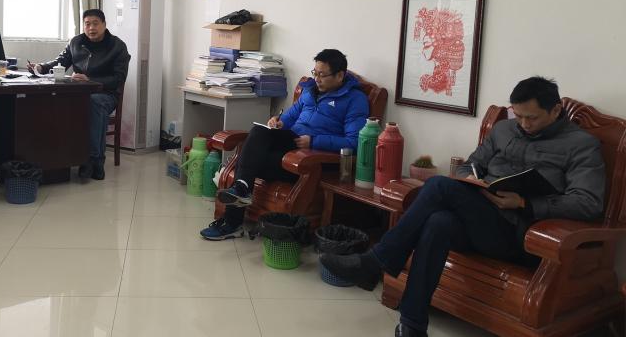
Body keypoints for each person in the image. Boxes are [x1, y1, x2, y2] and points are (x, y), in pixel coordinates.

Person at [321, 77, 605, 337]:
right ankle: (412, 325)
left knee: (438, 185)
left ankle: (375, 262)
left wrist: (525, 202)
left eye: (531, 118)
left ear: (555, 111)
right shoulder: (505, 129)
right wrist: (470, 179)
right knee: (439, 223)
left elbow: (588, 202)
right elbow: (471, 164)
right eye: (518, 116)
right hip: (481, 218)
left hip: (520, 233)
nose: (523, 124)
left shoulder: (581, 145)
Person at [200, 49, 370, 241]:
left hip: (312, 162)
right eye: (315, 73)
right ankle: (241, 189)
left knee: (247, 161)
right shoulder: (310, 91)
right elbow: (289, 117)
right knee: (258, 133)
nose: (317, 79)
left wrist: (314, 141)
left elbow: (354, 142)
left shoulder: (355, 99)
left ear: (339, 75)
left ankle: (233, 222)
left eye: (322, 75)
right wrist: (277, 122)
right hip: (291, 147)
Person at [28, 9, 129, 181]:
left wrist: (91, 80)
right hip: (79, 93)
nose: (91, 28)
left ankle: (93, 160)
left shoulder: (117, 46)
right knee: (53, 101)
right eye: (87, 24)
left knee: (94, 102)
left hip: (106, 94)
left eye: (95, 23)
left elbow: (118, 79)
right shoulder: (76, 42)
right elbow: (60, 61)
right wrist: (41, 67)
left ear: (104, 25)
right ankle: (59, 159)